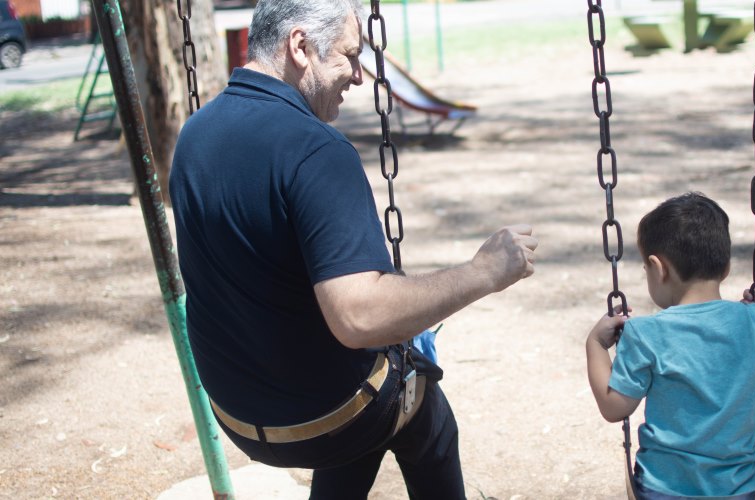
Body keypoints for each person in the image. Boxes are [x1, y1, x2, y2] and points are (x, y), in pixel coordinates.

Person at [168, 0, 538, 498]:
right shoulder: (315, 150)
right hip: (320, 418)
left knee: (364, 403)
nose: (360, 76)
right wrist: (483, 271)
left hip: (236, 412)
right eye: (349, 55)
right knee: (423, 415)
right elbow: (359, 317)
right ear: (300, 47)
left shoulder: (195, 133)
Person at [584, 192, 755, 499]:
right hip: (737, 489)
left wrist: (596, 344)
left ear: (658, 268)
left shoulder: (645, 333)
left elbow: (614, 408)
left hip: (663, 489)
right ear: (726, 267)